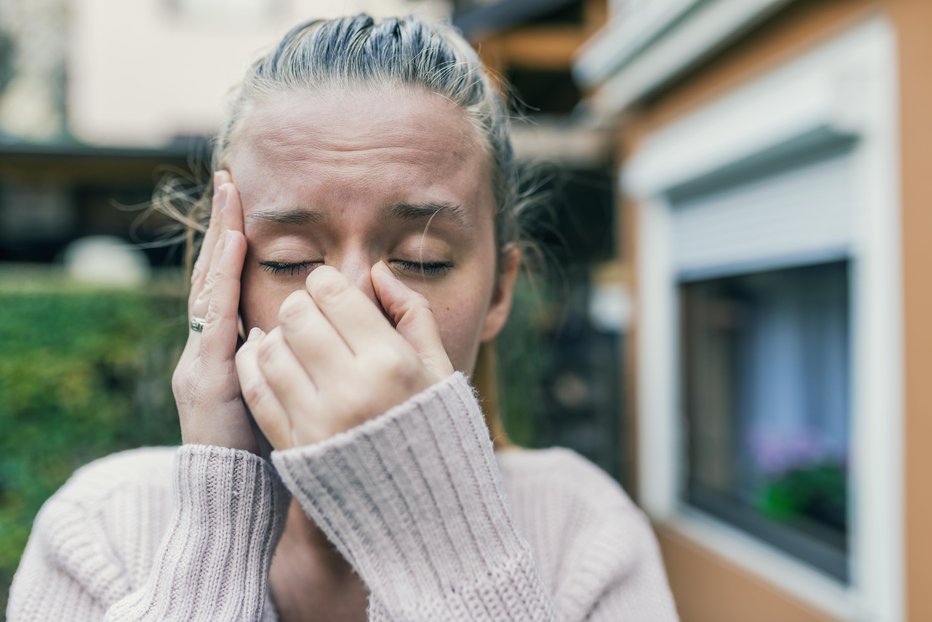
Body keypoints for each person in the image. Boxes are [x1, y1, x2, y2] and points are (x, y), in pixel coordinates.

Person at [6, 14, 678, 621]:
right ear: (217, 281)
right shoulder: (99, 530)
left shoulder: (587, 533)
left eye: (422, 259)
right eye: (290, 259)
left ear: (499, 292)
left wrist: (447, 550)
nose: (351, 305)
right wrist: (217, 525)